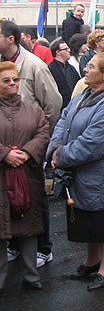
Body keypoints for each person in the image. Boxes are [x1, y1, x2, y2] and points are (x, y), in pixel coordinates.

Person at [48, 53, 104, 290]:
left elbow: (94, 143)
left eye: (91, 67)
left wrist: (61, 156)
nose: (85, 70)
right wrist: (56, 146)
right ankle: (92, 262)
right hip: (80, 171)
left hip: (101, 173)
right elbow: (64, 119)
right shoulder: (84, 94)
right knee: (85, 217)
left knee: (103, 221)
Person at [0, 22, 61, 269]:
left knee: (35, 196)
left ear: (11, 39)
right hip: (6, 146)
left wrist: (37, 137)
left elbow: (53, 104)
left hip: (31, 145)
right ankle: (15, 244)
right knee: (9, 195)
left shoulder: (34, 65)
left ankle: (43, 248)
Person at [0, 62, 49, 292]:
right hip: (2, 176)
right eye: (6, 81)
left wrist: (26, 152)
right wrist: (5, 154)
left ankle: (31, 275)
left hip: (28, 176)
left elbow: (42, 132)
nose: (12, 84)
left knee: (29, 226)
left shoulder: (34, 110)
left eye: (15, 80)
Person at [48, 38, 80, 110]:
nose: (69, 51)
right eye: (66, 49)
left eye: (68, 48)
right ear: (58, 52)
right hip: (59, 107)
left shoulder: (71, 68)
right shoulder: (50, 69)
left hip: (72, 105)